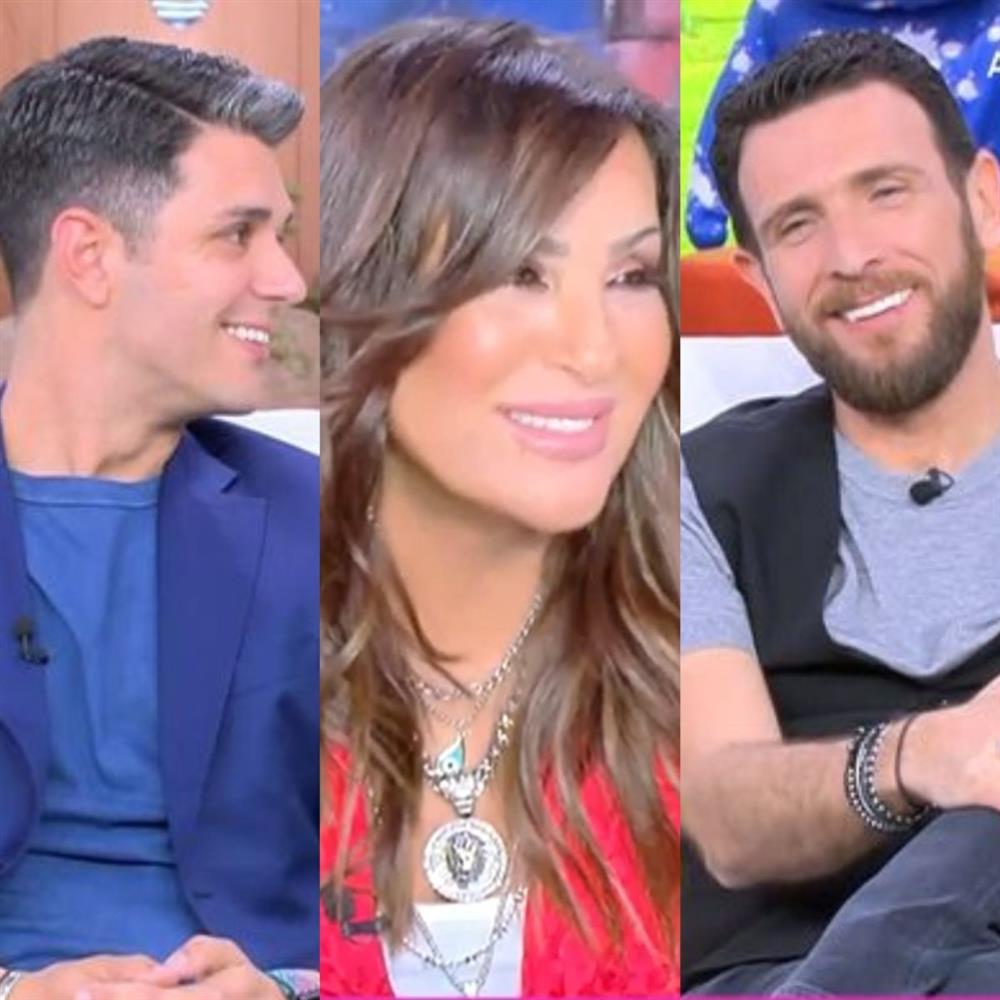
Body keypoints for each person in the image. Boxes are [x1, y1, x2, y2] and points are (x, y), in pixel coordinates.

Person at [320, 17, 679, 998]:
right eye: (522, 273)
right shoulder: (229, 662)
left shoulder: (703, 674)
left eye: (630, 277)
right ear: (369, 287)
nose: (596, 350)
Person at [682, 30, 1000, 995]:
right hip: (770, 970)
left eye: (886, 191)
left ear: (982, 200)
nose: (853, 255)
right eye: (798, 225)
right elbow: (726, 816)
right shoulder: (695, 488)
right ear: (757, 278)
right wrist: (924, 759)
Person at [0, 38, 319, 1000]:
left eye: (282, 234)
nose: (288, 280)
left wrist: (290, 988)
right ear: (90, 256)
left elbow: (429, 878)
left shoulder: (323, 521)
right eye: (238, 235)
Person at [685, 0, 1000, 249]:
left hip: (836, 228)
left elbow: (733, 107)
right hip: (846, 221)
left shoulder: (780, 10)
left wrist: (707, 209)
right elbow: (735, 108)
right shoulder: (781, 11)